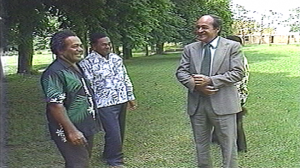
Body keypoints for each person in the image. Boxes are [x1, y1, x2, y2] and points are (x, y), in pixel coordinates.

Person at [175, 15, 245, 168]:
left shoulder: (232, 47)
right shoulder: (190, 49)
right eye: (198, 27)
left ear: (217, 29)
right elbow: (181, 72)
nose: (200, 30)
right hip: (197, 105)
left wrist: (211, 80)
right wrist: (196, 85)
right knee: (201, 144)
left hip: (224, 105)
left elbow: (238, 73)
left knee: (228, 146)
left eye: (204, 27)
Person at [40, 30, 101, 168]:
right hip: (69, 128)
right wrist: (72, 131)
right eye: (74, 46)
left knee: (82, 162)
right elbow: (55, 105)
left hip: (84, 124)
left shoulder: (75, 65)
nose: (80, 49)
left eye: (80, 45)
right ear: (60, 50)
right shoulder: (54, 72)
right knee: (78, 163)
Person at [79, 32, 136, 168]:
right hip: (104, 103)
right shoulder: (87, 63)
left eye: (109, 43)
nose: (107, 46)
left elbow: (125, 77)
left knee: (119, 130)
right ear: (94, 46)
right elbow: (88, 86)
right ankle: (115, 161)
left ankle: (108, 153)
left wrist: (130, 96)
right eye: (103, 44)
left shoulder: (116, 59)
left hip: (121, 99)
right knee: (113, 131)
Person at [211, 35, 249, 152]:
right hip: (237, 93)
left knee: (234, 120)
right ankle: (215, 137)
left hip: (234, 94)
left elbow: (235, 79)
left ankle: (240, 146)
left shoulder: (236, 59)